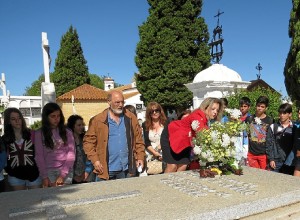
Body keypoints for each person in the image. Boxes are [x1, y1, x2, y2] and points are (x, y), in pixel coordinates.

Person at [83, 90, 145, 181]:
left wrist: (140, 157)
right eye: (117, 102)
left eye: (122, 102)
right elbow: (88, 143)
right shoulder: (98, 120)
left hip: (127, 169)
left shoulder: (131, 118)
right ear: (108, 102)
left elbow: (138, 140)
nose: (120, 105)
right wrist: (95, 160)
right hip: (105, 169)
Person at [168, 97, 224, 169]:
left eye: (217, 110)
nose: (215, 112)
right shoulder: (197, 116)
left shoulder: (206, 120)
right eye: (213, 109)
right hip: (172, 135)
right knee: (172, 166)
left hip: (184, 143)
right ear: (205, 107)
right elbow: (203, 134)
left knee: (183, 166)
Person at [35, 102, 75, 187]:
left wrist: (63, 175)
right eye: (53, 116)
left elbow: (71, 154)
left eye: (58, 116)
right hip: (48, 171)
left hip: (66, 169)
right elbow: (39, 156)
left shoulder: (67, 132)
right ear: (46, 117)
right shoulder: (39, 133)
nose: (56, 119)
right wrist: (44, 176)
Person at [2, 108, 41, 191]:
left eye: (19, 118)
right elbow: (3, 159)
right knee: (21, 202)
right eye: (13, 119)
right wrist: (9, 170)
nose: (17, 121)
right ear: (8, 121)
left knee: (35, 200)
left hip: (34, 174)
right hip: (15, 176)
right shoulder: (5, 139)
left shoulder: (33, 134)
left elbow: (40, 153)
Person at [245, 96, 273, 170]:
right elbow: (245, 135)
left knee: (264, 176)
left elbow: (271, 138)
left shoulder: (270, 121)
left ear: (266, 108)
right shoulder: (249, 119)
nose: (259, 108)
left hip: (263, 154)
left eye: (262, 106)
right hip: (251, 153)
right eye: (258, 106)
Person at [266, 103, 294, 174]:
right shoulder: (273, 126)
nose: (282, 115)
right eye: (280, 113)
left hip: (289, 162)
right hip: (276, 162)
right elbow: (269, 144)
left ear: (290, 114)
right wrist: (271, 159)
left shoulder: (294, 128)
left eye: (284, 113)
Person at [67, 115, 95, 183]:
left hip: (86, 175)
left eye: (82, 125)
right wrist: (73, 175)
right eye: (79, 125)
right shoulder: (67, 141)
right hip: (70, 176)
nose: (82, 127)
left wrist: (87, 171)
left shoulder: (85, 139)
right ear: (72, 126)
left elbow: (89, 156)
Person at [142, 102, 167, 174]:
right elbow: (146, 141)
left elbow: (169, 138)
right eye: (151, 111)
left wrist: (160, 148)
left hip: (164, 153)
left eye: (156, 110)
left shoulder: (166, 123)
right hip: (150, 155)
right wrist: (154, 153)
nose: (154, 113)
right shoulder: (145, 124)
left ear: (160, 111)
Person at [239, 96, 251, 165]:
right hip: (238, 143)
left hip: (247, 144)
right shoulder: (235, 117)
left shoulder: (251, 118)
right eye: (241, 106)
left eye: (245, 106)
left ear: (249, 107)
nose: (242, 108)